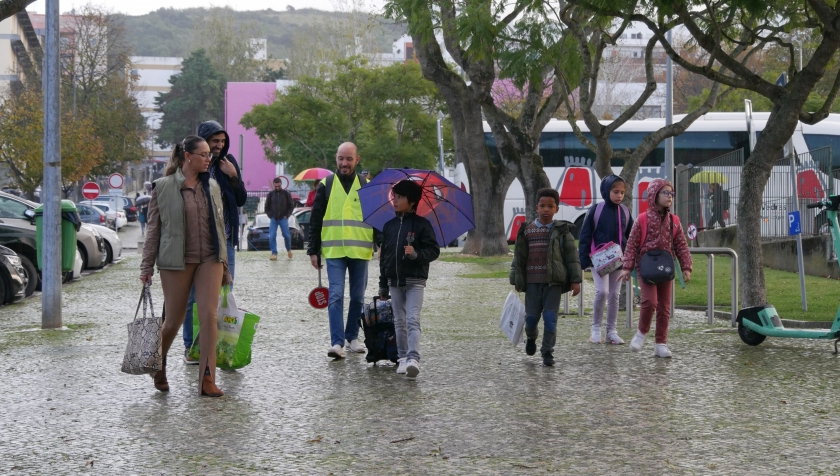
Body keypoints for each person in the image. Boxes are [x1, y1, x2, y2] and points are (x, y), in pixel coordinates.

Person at [139, 135, 229, 397]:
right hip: (175, 261)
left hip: (210, 259)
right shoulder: (163, 187)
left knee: (209, 317)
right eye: (202, 154)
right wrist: (146, 268)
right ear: (187, 156)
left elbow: (220, 226)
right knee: (174, 321)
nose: (208, 158)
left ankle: (207, 378)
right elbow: (154, 231)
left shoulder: (211, 186)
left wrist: (225, 265)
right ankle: (159, 364)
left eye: (208, 155)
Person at [182, 120, 247, 362]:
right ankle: (191, 346)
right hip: (198, 239)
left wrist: (233, 177)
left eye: (222, 141)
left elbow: (240, 200)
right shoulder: (193, 165)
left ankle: (217, 343)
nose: (219, 146)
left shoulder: (229, 164)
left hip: (226, 239)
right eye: (214, 141)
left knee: (223, 292)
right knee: (192, 296)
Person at [307, 142, 373, 359]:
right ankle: (337, 342)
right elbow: (315, 218)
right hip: (334, 250)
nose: (344, 163)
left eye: (349, 159)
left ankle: (352, 337)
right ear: (336, 158)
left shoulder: (366, 185)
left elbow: (375, 217)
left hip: (359, 250)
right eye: (341, 158)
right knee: (335, 296)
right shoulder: (326, 184)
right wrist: (313, 250)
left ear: (357, 159)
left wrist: (380, 242)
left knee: (357, 296)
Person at [618, 178, 692, 358]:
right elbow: (632, 245)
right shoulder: (642, 220)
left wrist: (686, 266)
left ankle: (661, 343)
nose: (670, 197)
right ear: (654, 195)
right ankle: (641, 332)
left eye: (671, 193)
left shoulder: (674, 221)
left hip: (666, 268)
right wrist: (627, 267)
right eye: (665, 193)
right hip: (646, 268)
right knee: (650, 302)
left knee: (665, 307)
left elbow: (681, 244)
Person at [510, 188, 582, 366]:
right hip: (532, 284)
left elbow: (572, 258)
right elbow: (519, 257)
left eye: (550, 206)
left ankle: (547, 352)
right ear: (537, 207)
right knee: (531, 319)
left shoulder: (562, 231)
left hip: (553, 284)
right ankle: (531, 338)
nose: (546, 210)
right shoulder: (527, 230)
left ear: (556, 208)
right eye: (542, 206)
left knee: (550, 319)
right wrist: (516, 279)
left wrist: (576, 280)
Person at [378, 180, 440, 378]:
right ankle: (403, 357)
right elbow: (385, 258)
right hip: (394, 281)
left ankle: (414, 358)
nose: (395, 200)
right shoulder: (389, 227)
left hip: (415, 281)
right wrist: (382, 285)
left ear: (411, 201)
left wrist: (416, 254)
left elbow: (433, 250)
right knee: (399, 321)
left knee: (412, 319)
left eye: (400, 197)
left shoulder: (423, 225)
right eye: (394, 196)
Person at [578, 175, 633, 345]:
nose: (619, 195)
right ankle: (595, 329)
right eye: (616, 192)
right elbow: (585, 235)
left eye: (622, 192)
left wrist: (630, 260)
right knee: (602, 292)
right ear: (606, 191)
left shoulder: (625, 211)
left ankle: (611, 331)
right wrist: (584, 260)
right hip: (599, 259)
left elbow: (631, 236)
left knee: (614, 295)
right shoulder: (596, 210)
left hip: (618, 259)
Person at [264, 177, 295, 260]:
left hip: (283, 218)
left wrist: (287, 215)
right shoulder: (270, 194)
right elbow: (266, 206)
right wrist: (270, 215)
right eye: (275, 186)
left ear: (281, 184)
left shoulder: (286, 193)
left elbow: (291, 205)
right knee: (272, 236)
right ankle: (274, 253)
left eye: (278, 186)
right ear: (274, 185)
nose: (277, 187)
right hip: (273, 218)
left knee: (286, 235)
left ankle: (289, 250)